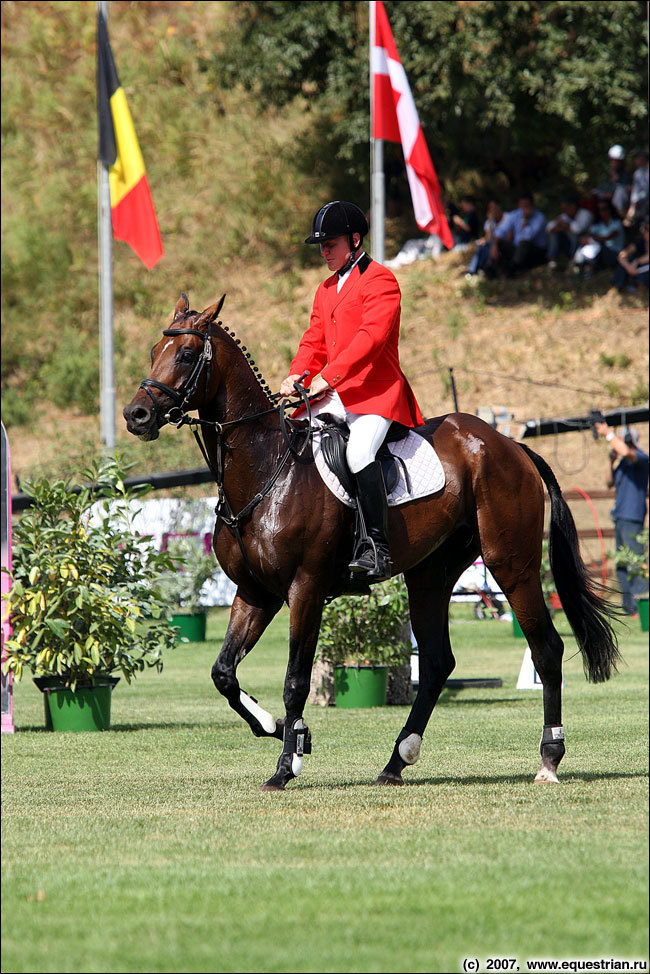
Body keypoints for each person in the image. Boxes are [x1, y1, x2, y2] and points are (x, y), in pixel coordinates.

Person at [280, 200, 424, 582]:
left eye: (331, 244)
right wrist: (297, 375)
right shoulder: (325, 289)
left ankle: (375, 547)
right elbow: (313, 341)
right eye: (321, 246)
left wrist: (328, 376)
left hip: (375, 391)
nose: (324, 252)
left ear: (355, 240)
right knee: (290, 438)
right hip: (334, 393)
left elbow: (370, 338)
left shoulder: (380, 280)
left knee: (359, 451)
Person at [595, 422, 649, 617]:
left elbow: (627, 452)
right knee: (621, 565)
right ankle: (629, 607)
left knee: (635, 562)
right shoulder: (623, 463)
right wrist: (611, 461)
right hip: (619, 518)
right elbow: (609, 482)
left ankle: (642, 605)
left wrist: (608, 433)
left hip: (632, 517)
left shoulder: (641, 458)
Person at [483, 192, 547, 278]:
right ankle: (491, 268)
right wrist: (494, 245)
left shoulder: (540, 218)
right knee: (497, 242)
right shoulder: (515, 214)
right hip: (518, 251)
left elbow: (528, 237)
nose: (523, 208)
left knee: (524, 243)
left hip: (534, 252)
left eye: (526, 205)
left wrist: (525, 220)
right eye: (522, 205)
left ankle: (512, 269)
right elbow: (501, 231)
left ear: (532, 204)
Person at [572, 198, 625, 278]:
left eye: (604, 209)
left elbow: (607, 238)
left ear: (610, 209)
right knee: (588, 245)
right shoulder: (596, 224)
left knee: (596, 245)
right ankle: (580, 266)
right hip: (599, 255)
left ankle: (587, 268)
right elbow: (586, 237)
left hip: (615, 254)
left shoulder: (616, 223)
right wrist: (588, 239)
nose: (602, 212)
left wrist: (593, 239)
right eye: (599, 209)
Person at [546, 194, 593, 269]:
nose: (564, 211)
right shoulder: (565, 215)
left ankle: (573, 259)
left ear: (573, 206)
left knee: (575, 234)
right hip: (568, 244)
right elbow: (549, 226)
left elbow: (579, 229)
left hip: (584, 245)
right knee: (554, 233)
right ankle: (552, 259)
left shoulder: (585, 214)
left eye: (565, 208)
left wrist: (565, 226)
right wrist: (558, 227)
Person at [465, 200, 508, 278]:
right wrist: (491, 222)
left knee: (487, 247)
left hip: (504, 244)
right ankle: (473, 270)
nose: (493, 210)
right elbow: (488, 238)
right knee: (482, 246)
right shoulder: (489, 222)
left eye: (494, 208)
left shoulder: (508, 218)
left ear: (499, 207)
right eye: (490, 209)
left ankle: (475, 270)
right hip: (492, 244)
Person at [613, 221, 649, 293]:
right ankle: (618, 286)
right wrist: (628, 266)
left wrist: (636, 262)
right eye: (647, 230)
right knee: (627, 260)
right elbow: (623, 254)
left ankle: (638, 287)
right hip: (636, 268)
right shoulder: (640, 242)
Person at [597, 144, 630, 217]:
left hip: (620, 205)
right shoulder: (608, 175)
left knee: (620, 191)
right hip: (607, 203)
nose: (614, 163)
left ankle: (621, 215)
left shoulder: (626, 175)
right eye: (612, 160)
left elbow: (626, 189)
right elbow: (603, 189)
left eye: (616, 161)